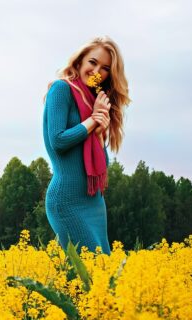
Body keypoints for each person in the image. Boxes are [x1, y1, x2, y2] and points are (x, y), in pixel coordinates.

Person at [42, 36, 131, 255]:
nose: (96, 71)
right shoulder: (61, 89)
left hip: (94, 202)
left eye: (105, 68)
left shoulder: (94, 102)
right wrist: (93, 120)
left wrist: (99, 132)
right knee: (91, 272)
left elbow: (102, 164)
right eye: (93, 62)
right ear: (80, 61)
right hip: (66, 201)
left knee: (103, 276)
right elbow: (58, 141)